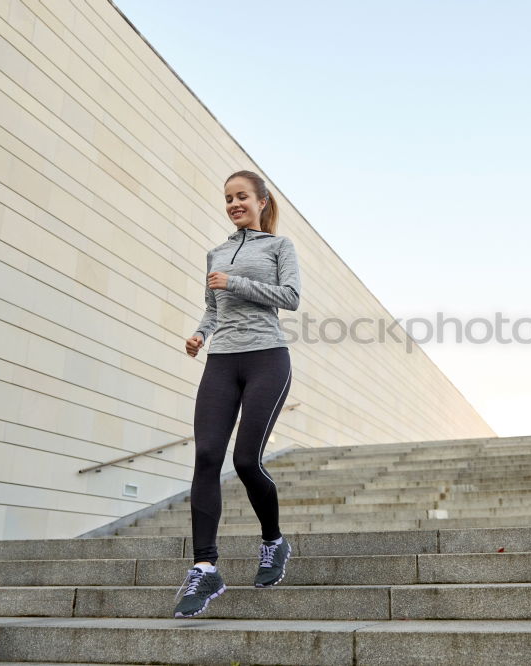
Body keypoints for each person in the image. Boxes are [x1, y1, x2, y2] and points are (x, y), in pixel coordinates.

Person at [173, 169, 301, 619]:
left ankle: (274, 541)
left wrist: (236, 283)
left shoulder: (280, 247)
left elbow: (290, 297)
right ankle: (205, 566)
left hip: (267, 358)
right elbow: (213, 307)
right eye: (228, 198)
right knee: (207, 455)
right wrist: (198, 335)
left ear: (261, 201)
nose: (233, 204)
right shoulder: (217, 252)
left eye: (241, 196)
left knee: (246, 460)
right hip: (222, 361)